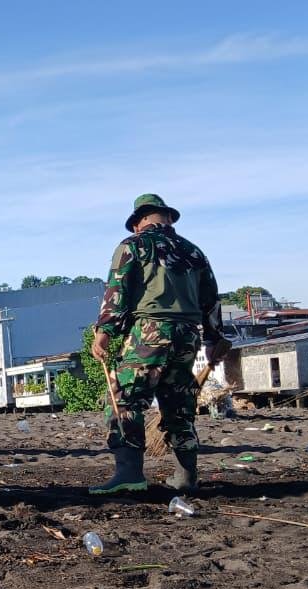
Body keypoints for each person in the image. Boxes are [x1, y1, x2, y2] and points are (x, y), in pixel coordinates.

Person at [88, 194, 224, 495]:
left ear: (139, 222)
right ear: (169, 218)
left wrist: (104, 332)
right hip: (188, 334)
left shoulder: (133, 246)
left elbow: (117, 291)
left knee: (124, 398)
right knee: (178, 402)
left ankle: (129, 474)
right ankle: (186, 476)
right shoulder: (194, 251)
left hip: (150, 330)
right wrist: (214, 338)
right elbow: (211, 299)